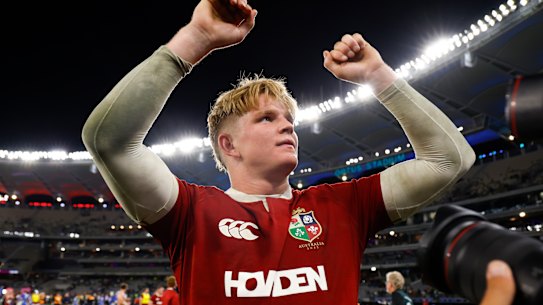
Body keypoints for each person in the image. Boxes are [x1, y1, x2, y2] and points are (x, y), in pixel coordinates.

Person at [81, 0, 476, 304]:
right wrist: (196, 39)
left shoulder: (344, 205)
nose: (288, 125)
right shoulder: (190, 212)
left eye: (289, 119)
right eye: (267, 118)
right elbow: (108, 140)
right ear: (227, 144)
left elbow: (450, 159)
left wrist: (378, 76)